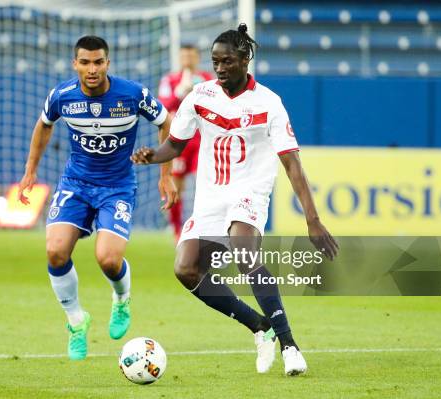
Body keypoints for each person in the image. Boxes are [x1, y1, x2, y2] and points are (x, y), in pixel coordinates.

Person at [131, 24, 338, 376]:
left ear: (245, 60)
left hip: (250, 191)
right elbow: (176, 145)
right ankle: (260, 327)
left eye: (227, 61)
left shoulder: (269, 103)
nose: (221, 68)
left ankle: (290, 346)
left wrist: (313, 220)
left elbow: (292, 164)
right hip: (211, 196)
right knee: (186, 269)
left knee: (244, 252)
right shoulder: (199, 96)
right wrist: (153, 156)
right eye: (215, 62)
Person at [18, 35, 176, 361]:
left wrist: (165, 174)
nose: (92, 69)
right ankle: (77, 322)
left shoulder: (132, 94)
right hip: (76, 183)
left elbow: (166, 123)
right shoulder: (62, 96)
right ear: (75, 63)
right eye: (86, 62)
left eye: (98, 62)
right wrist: (30, 171)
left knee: (108, 259)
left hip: (117, 186)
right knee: (55, 252)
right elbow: (44, 125)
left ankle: (121, 298)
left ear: (108, 63)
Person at [158, 45, 214, 241]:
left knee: (208, 183)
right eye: (184, 55)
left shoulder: (207, 80)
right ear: (179, 58)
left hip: (202, 141)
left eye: (191, 55)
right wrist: (180, 92)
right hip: (180, 141)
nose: (187, 58)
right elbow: (163, 108)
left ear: (197, 57)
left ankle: (207, 228)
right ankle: (176, 230)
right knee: (177, 186)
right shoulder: (170, 80)